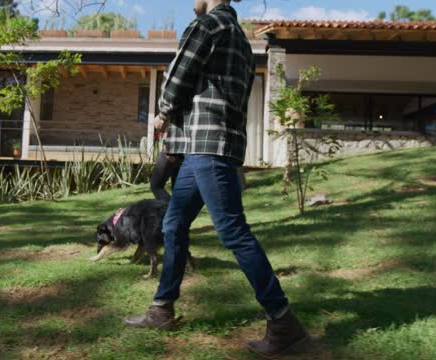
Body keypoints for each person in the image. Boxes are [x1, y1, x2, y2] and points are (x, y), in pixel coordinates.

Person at [123, 0, 309, 357]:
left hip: (209, 146)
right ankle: (162, 308)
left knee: (233, 231)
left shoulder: (208, 25)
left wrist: (161, 113)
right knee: (174, 223)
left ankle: (283, 319)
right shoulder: (238, 35)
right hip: (205, 147)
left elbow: (178, 74)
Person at [150, 128, 182, 202]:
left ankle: (170, 210)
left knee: (156, 185)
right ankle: (176, 211)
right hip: (183, 149)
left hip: (173, 145)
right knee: (177, 189)